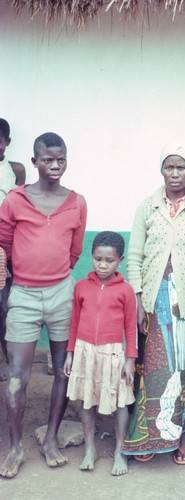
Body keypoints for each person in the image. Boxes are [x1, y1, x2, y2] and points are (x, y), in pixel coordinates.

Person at [122, 142, 185, 465]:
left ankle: (184, 433)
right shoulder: (148, 206)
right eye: (169, 167)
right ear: (161, 170)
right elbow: (135, 255)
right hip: (155, 300)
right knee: (154, 368)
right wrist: (137, 300)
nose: (175, 173)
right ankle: (148, 435)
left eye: (181, 167)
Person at [0, 132, 87, 478]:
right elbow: (4, 242)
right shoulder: (15, 199)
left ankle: (51, 439)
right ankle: (16, 447)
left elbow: (75, 250)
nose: (55, 165)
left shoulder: (77, 202)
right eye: (48, 160)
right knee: (17, 377)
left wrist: (57, 276)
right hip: (23, 294)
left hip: (62, 293)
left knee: (62, 369)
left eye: (61, 159)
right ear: (34, 161)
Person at [64, 231, 137, 476]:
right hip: (86, 351)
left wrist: (130, 359)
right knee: (86, 399)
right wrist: (70, 353)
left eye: (109, 260)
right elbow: (74, 322)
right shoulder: (82, 287)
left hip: (113, 353)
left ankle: (119, 451)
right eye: (98, 259)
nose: (103, 265)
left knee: (121, 402)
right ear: (91, 257)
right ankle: (90, 448)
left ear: (120, 260)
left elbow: (130, 328)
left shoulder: (126, 291)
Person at [0, 118, 26, 381]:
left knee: (5, 304)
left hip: (6, 244)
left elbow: (19, 206)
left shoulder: (15, 170)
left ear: (7, 142)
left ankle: (5, 355)